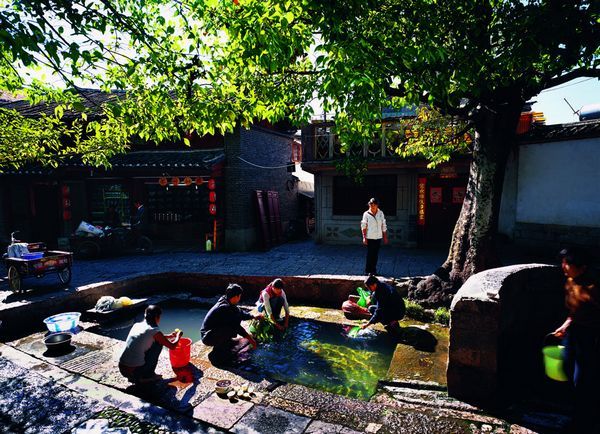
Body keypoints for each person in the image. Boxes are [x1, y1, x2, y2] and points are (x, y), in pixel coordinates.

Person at [552, 247, 600, 433]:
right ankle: (573, 410)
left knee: (583, 378)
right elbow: (575, 310)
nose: (563, 266)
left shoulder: (594, 288)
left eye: (568, 263)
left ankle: (584, 420)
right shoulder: (570, 281)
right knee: (567, 368)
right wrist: (566, 325)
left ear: (582, 268)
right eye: (563, 262)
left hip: (591, 335)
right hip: (574, 332)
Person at [118, 305, 182, 383]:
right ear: (156, 318)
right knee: (158, 344)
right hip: (134, 371)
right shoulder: (153, 330)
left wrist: (169, 336)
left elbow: (149, 337)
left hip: (123, 368)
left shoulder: (137, 325)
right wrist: (178, 336)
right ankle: (146, 376)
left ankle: (138, 376)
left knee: (157, 341)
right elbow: (172, 346)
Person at [201, 283, 262, 365]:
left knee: (231, 324)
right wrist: (251, 340)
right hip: (208, 337)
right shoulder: (224, 307)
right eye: (240, 296)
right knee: (231, 327)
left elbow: (240, 313)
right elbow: (237, 327)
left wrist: (253, 316)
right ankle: (217, 353)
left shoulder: (226, 300)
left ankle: (226, 342)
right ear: (236, 297)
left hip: (213, 332)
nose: (240, 298)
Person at [361, 198, 388, 275]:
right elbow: (363, 226)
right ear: (369, 205)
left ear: (377, 205)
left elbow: (383, 225)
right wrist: (364, 237)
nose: (372, 206)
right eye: (371, 204)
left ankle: (373, 270)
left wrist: (385, 237)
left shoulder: (380, 213)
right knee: (370, 254)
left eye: (374, 205)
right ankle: (367, 270)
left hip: (378, 237)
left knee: (375, 254)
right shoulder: (366, 214)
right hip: (370, 237)